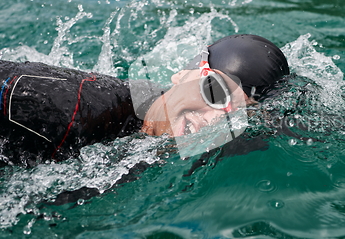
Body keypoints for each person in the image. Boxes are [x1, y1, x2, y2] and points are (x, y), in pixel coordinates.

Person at [0, 34, 290, 167]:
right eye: (215, 92)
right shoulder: (56, 104)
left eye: (235, 116)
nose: (215, 120)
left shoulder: (159, 143)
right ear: (183, 74)